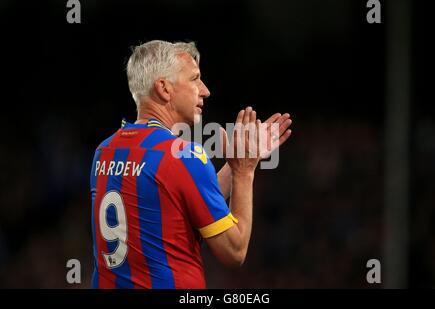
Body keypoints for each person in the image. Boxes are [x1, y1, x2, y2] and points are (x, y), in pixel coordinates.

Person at [90, 40, 292, 288]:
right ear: (164, 88)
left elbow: (179, 202)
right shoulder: (183, 155)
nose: (205, 90)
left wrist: (238, 162)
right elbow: (234, 251)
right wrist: (244, 173)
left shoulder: (105, 151)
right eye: (195, 79)